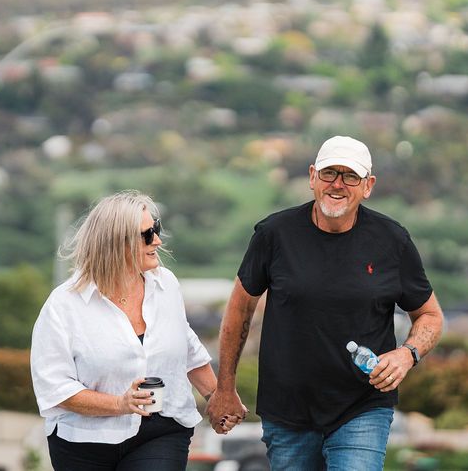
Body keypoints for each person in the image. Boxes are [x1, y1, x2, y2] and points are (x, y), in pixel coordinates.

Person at [207, 135, 444, 470]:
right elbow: (239, 309)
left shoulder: (392, 241)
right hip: (287, 410)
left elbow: (430, 315)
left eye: (350, 176)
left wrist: (407, 354)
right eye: (329, 173)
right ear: (312, 177)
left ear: (368, 186)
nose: (337, 184)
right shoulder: (274, 234)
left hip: (362, 406)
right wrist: (225, 388)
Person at [31, 190, 241, 470]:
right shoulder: (63, 304)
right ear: (116, 243)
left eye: (156, 229)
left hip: (161, 431)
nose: (157, 240)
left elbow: (186, 347)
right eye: (147, 234)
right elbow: (55, 388)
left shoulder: (166, 285)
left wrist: (218, 396)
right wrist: (120, 403)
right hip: (83, 442)